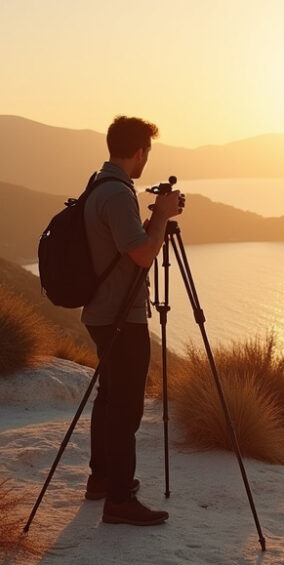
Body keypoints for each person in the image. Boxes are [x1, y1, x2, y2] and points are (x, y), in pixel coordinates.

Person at [80, 116, 183, 525]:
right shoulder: (119, 193)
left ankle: (102, 479)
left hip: (102, 311)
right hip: (121, 314)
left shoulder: (98, 184)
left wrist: (151, 220)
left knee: (109, 398)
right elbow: (143, 255)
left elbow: (125, 246)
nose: (146, 161)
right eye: (147, 153)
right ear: (139, 152)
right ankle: (119, 500)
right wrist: (160, 216)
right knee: (125, 407)